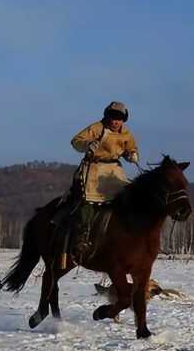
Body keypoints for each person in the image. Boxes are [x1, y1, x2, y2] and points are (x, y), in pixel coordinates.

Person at [52, 101, 139, 249]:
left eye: (119, 118)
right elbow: (76, 141)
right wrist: (87, 145)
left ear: (123, 119)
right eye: (112, 117)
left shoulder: (126, 134)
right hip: (94, 167)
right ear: (107, 116)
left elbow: (131, 148)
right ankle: (83, 233)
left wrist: (132, 154)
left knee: (129, 196)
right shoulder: (97, 128)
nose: (115, 121)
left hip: (113, 170)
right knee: (89, 199)